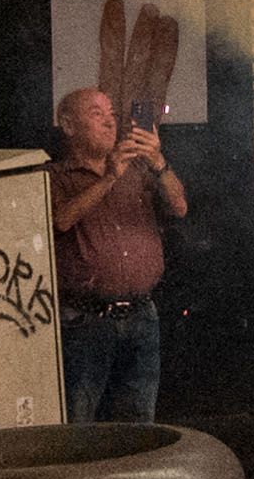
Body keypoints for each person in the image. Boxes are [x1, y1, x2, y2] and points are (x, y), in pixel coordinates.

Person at [48, 86, 184, 423]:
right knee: (81, 423)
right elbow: (61, 219)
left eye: (112, 114)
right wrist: (109, 177)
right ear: (68, 125)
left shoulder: (138, 171)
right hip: (86, 321)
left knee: (139, 422)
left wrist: (158, 162)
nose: (110, 123)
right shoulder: (55, 176)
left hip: (142, 315)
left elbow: (179, 206)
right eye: (97, 114)